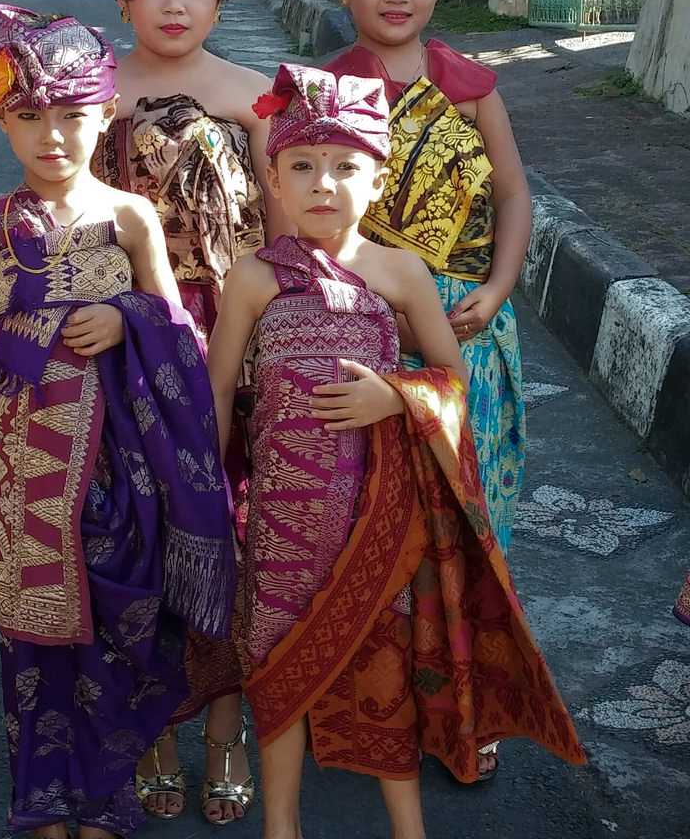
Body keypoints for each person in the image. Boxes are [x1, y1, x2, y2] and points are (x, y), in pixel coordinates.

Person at [211, 62, 586, 839]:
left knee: (381, 672)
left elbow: (452, 382)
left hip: (377, 522)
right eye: (303, 166)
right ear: (273, 180)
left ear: (377, 181)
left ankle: (406, 828)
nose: (325, 184)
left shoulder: (402, 273)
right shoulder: (253, 278)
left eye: (347, 166)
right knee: (280, 672)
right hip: (279, 521)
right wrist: (214, 494)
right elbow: (218, 394)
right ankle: (281, 827)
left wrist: (395, 394)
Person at [0, 5, 237, 839]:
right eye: (28, 116)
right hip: (19, 472)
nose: (52, 136)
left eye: (72, 114)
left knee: (122, 626)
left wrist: (128, 318)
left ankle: (109, 794)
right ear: (2, 118)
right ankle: (44, 802)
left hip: (126, 468)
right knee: (35, 642)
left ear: (104, 110)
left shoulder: (128, 217)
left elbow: (181, 336)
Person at [312, 0, 533, 779]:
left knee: (472, 519)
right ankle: (386, 691)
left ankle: (469, 703)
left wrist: (499, 286)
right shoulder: (323, 92)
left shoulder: (473, 85)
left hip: (469, 338)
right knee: (377, 520)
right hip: (365, 334)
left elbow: (517, 198)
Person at [99, 0, 291, 826]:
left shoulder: (256, 96)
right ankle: (151, 732)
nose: (173, 6)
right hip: (119, 354)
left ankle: (223, 731)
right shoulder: (87, 89)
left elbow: (293, 243)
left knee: (227, 544)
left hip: (231, 357)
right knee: (134, 546)